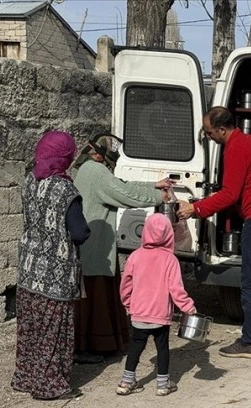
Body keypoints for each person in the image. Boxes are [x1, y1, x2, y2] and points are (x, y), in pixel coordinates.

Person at [177, 106, 251, 358]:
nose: (209, 137)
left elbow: (231, 193)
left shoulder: (236, 148)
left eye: (209, 133)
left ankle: (250, 341)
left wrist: (195, 208)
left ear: (222, 129)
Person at [72, 133, 173, 363]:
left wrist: (153, 184)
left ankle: (91, 345)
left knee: (94, 297)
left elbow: (119, 185)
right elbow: (124, 193)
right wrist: (159, 195)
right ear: (101, 155)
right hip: (94, 248)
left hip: (92, 246)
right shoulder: (96, 172)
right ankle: (90, 346)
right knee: (94, 299)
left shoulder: (89, 169)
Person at [11, 130, 90, 400]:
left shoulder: (29, 181)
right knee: (52, 332)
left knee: (30, 328)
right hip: (54, 277)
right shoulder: (66, 189)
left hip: (28, 270)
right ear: (65, 157)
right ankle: (49, 385)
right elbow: (79, 232)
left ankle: (25, 377)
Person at [116, 213, 197, 397]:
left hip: (139, 314)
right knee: (162, 348)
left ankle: (126, 382)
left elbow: (126, 284)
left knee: (136, 347)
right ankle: (162, 384)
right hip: (160, 316)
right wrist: (188, 307)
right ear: (169, 234)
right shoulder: (170, 260)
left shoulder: (135, 256)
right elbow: (176, 288)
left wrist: (128, 303)